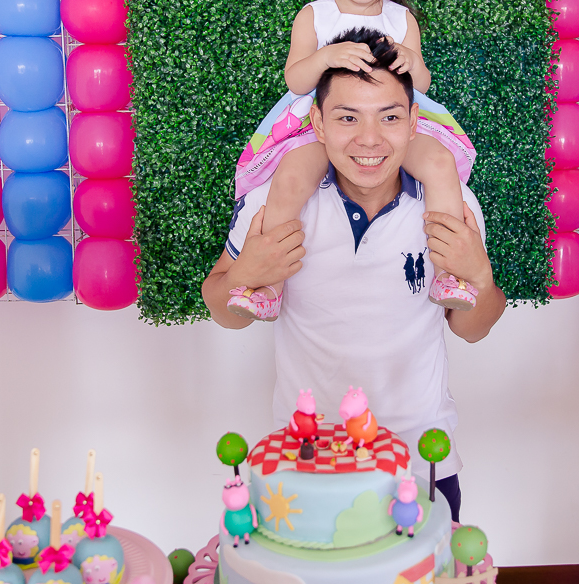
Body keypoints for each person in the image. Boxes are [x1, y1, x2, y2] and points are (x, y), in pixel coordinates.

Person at [201, 32, 507, 521]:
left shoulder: (454, 203)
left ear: (414, 123)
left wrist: (481, 279)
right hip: (306, 455)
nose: (369, 139)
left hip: (422, 456)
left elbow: (472, 327)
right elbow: (225, 312)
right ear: (318, 123)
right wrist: (246, 274)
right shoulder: (273, 203)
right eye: (348, 118)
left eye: (389, 117)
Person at [227, 0, 477, 322]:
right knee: (291, 177)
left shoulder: (402, 20)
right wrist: (325, 57)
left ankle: (449, 274)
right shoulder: (314, 16)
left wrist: (411, 62)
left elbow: (420, 85)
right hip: (316, 125)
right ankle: (268, 285)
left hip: (390, 123)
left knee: (438, 164)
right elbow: (296, 80)